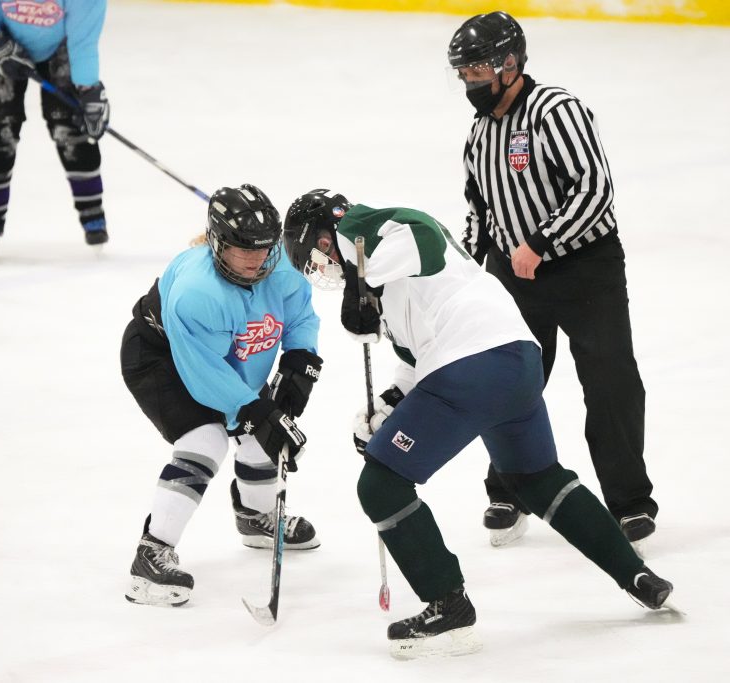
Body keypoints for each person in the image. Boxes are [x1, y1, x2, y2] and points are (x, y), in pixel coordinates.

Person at [282, 189, 673, 659]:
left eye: (315, 256)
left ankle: (448, 607)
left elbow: (420, 234)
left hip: (470, 363)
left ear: (325, 235)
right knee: (537, 480)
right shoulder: (390, 282)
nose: (323, 268)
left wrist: (360, 284)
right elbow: (414, 363)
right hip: (516, 360)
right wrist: (385, 411)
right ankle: (637, 575)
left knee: (381, 487)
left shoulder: (361, 229)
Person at [447, 12, 658, 549]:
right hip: (514, 278)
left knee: (611, 382)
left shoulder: (555, 110)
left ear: (510, 64)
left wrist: (541, 243)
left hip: (586, 269)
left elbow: (594, 188)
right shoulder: (479, 133)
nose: (470, 82)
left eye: (477, 70)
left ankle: (630, 502)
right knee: (509, 383)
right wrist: (473, 268)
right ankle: (508, 489)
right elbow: (479, 209)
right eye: (463, 73)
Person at [121, 185, 323, 607]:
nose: (256, 259)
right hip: (160, 357)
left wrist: (299, 362)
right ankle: (150, 554)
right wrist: (256, 409)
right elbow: (206, 377)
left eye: (265, 248)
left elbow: (300, 315)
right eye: (241, 248)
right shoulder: (198, 291)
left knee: (261, 431)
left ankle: (255, 518)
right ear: (216, 242)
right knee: (206, 440)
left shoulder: (279, 266)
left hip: (223, 354)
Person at [0, 0, 112, 257]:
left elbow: (83, 43)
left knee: (71, 128)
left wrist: (88, 89)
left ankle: (93, 217)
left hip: (60, 44)